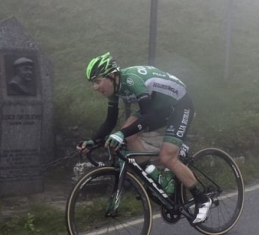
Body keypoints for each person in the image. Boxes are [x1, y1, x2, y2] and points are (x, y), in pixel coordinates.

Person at [76, 52, 212, 224]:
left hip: (179, 105)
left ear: (111, 75)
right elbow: (110, 121)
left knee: (167, 157)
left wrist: (121, 134)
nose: (95, 87)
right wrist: (93, 142)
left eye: (97, 81)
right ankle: (157, 180)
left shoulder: (132, 81)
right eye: (93, 83)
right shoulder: (114, 88)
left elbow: (148, 116)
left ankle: (202, 199)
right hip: (156, 107)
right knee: (128, 135)